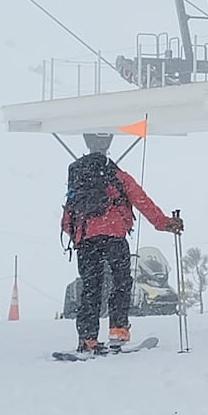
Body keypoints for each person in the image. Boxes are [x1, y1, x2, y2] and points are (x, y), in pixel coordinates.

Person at [62, 150, 183, 358]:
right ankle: (118, 333)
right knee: (121, 284)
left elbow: (66, 222)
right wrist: (164, 223)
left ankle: (87, 340)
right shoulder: (118, 177)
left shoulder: (79, 182)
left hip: (86, 240)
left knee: (91, 288)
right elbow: (142, 201)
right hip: (114, 236)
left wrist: (82, 234)